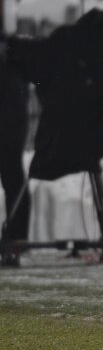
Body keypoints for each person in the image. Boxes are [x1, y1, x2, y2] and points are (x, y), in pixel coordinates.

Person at [0, 38, 31, 259]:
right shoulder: (15, 66)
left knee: (13, 179)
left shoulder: (10, 68)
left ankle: (17, 237)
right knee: (14, 179)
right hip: (12, 127)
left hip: (9, 128)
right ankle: (17, 237)